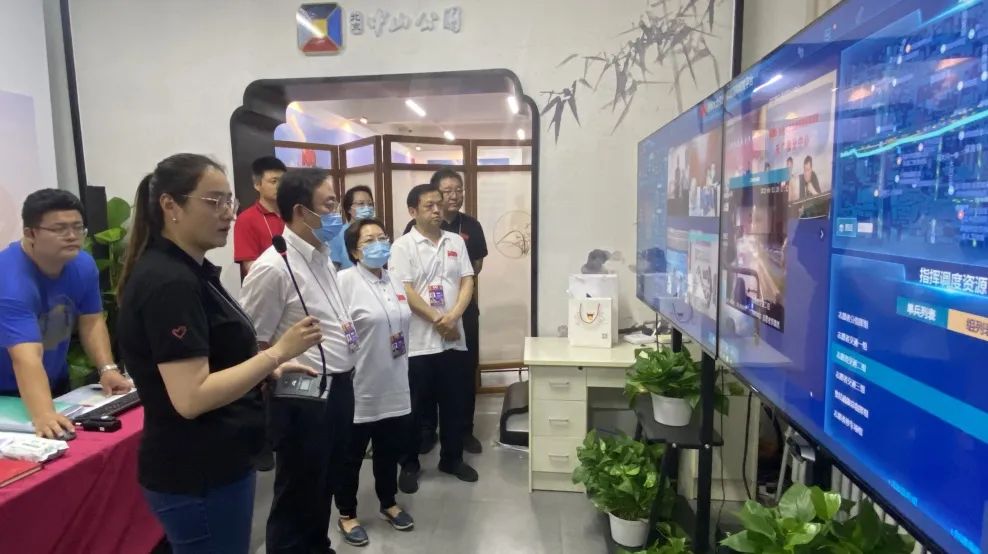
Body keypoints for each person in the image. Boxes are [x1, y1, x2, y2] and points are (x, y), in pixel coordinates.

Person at [116, 154, 321, 553]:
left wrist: (268, 370)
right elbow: (191, 397)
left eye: (230, 201)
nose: (228, 213)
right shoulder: (169, 283)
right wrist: (276, 353)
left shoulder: (193, 270)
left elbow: (217, 358)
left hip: (221, 458)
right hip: (197, 469)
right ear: (171, 206)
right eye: (214, 202)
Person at [240, 168, 357, 554]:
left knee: (323, 483)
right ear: (300, 212)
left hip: (338, 387)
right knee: (297, 492)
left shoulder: (322, 256)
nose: (336, 213)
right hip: (301, 396)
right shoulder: (273, 267)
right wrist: (273, 364)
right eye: (329, 204)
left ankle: (317, 546)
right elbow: (249, 342)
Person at [0, 189, 131, 438]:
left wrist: (107, 368)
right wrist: (43, 414)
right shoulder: (9, 280)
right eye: (59, 229)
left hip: (52, 383)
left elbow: (91, 321)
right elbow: (25, 357)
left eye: (78, 227)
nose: (72, 236)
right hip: (5, 396)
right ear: (30, 233)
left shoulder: (82, 264)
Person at [334, 218, 415, 547]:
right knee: (351, 455)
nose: (379, 244)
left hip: (394, 380)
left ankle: (388, 503)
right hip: (360, 384)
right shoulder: (344, 281)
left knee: (388, 449)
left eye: (382, 237)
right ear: (354, 251)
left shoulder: (393, 278)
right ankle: (346, 513)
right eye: (369, 241)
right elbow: (336, 331)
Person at [392, 183, 477, 491]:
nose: (437, 210)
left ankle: (452, 459)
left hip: (453, 337)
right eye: (429, 205)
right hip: (419, 342)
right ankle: (409, 464)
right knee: (415, 407)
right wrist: (437, 319)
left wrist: (453, 317)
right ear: (412, 211)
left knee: (454, 404)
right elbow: (404, 290)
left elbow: (467, 280)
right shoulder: (402, 246)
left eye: (439, 204)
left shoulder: (455, 241)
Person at [402, 169, 488, 455]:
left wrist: (453, 314)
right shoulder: (409, 234)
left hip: (462, 312)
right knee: (424, 380)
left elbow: (473, 270)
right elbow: (407, 284)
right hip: (423, 320)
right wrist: (438, 318)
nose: (453, 196)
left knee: (462, 374)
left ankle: (463, 433)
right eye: (445, 192)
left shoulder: (468, 228)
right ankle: (426, 432)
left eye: (458, 190)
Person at [233, 156, 287, 278]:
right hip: (269, 284)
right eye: (274, 181)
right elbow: (250, 266)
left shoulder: (294, 213)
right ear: (257, 184)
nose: (280, 186)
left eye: (283, 181)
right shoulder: (246, 219)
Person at [329, 185, 376, 270]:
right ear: (349, 208)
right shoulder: (337, 235)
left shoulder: (377, 233)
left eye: (370, 204)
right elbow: (333, 270)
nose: (367, 208)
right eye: (361, 204)